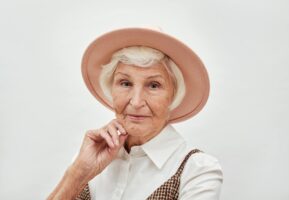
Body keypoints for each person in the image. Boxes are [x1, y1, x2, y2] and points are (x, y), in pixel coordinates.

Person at [47, 27, 223, 200]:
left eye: (153, 85)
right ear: (111, 89)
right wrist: (77, 173)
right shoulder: (88, 157)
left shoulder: (197, 170)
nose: (136, 102)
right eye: (125, 83)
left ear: (173, 95)